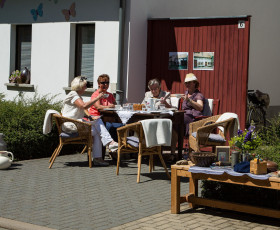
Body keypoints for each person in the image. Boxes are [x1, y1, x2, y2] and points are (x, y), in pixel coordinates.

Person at [61, 76, 118, 167]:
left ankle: (98, 158)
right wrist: (97, 97)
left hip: (75, 122)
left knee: (97, 131)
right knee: (98, 122)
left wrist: (90, 117)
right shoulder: (73, 94)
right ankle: (110, 143)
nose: (86, 88)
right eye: (85, 86)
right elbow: (83, 106)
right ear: (79, 86)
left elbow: (81, 110)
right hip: (70, 124)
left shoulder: (77, 96)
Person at [88, 74, 123, 144]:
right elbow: (98, 107)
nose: (105, 85)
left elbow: (115, 105)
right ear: (98, 84)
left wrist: (115, 106)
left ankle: (119, 147)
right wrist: (108, 107)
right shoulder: (96, 94)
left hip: (109, 118)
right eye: (103, 83)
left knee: (123, 126)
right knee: (111, 126)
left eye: (107, 83)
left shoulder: (110, 95)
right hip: (97, 118)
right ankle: (112, 146)